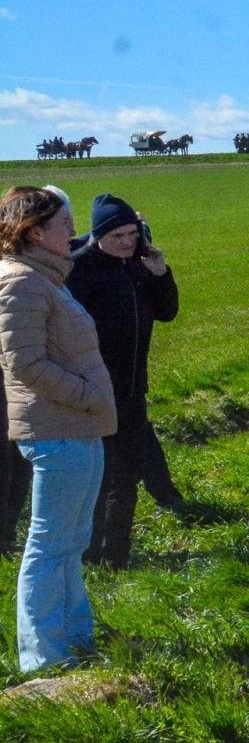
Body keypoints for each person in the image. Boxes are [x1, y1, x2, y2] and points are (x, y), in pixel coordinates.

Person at [0, 187, 117, 672]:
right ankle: (44, 659)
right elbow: (25, 363)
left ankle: (75, 637)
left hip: (76, 426)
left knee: (71, 541)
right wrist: (89, 396)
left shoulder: (44, 276)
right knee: (49, 545)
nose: (73, 231)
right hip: (57, 430)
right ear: (34, 232)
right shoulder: (21, 282)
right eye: (64, 223)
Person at [65, 194, 180, 569]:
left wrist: (161, 273)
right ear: (97, 235)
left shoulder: (138, 266)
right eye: (118, 235)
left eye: (133, 233)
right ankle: (87, 551)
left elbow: (167, 312)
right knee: (95, 479)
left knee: (126, 476)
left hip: (133, 390)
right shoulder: (77, 271)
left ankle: (116, 555)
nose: (128, 242)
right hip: (91, 392)